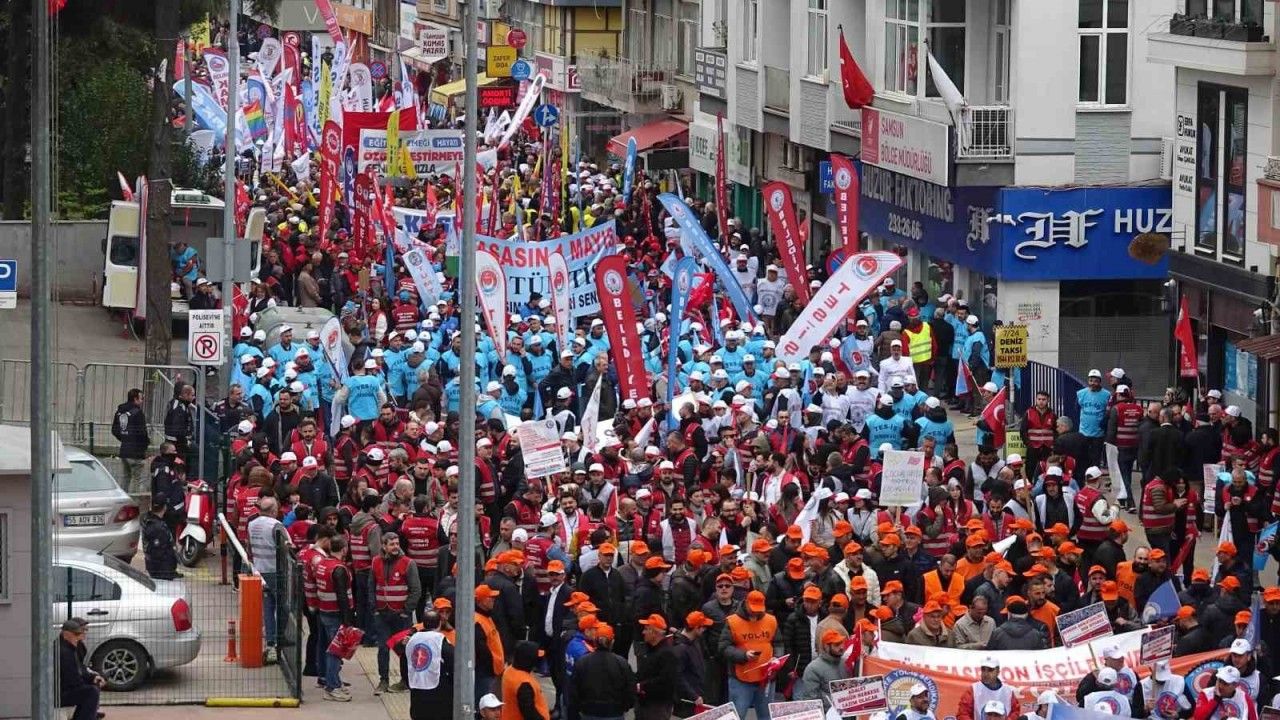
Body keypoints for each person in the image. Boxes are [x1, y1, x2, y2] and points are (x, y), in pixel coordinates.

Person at [721, 590, 782, 720]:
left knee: (767, 717)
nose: (756, 612)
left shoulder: (771, 620)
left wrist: (777, 657)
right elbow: (724, 647)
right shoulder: (732, 621)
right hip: (741, 679)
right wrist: (744, 655)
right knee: (736, 716)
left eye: (759, 609)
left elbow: (778, 643)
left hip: (766, 678)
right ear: (746, 603)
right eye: (753, 608)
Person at [373, 532, 421, 694]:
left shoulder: (408, 563)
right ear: (384, 546)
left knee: (404, 649)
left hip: (401, 615)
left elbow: (416, 590)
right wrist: (374, 609)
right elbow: (371, 586)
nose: (395, 547)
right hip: (382, 614)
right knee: (383, 648)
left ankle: (405, 681)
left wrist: (406, 611)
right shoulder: (375, 562)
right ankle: (383, 680)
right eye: (391, 544)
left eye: (397, 543)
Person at [248, 496, 290, 662]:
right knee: (284, 607)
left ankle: (271, 642)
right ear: (274, 510)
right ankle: (279, 638)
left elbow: (249, 547)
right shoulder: (276, 525)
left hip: (259, 571)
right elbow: (287, 548)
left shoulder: (252, 524)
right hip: (275, 571)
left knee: (268, 608)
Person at [315, 536, 355, 701]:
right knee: (336, 652)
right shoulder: (339, 569)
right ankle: (332, 687)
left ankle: (331, 681)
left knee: (327, 648)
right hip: (336, 614)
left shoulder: (322, 564)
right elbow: (342, 596)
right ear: (344, 549)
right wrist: (347, 620)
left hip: (324, 610)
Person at [572, 624, 637, 720]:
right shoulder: (621, 663)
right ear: (612, 642)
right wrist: (625, 706)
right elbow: (630, 688)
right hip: (614, 713)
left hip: (589, 712)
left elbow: (574, 689)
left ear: (595, 641)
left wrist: (580, 707)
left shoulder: (582, 662)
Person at [406, 611, 454, 720]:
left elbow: (405, 662)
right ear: (439, 623)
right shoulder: (439, 640)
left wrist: (409, 681)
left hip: (417, 690)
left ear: (423, 623)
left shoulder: (412, 639)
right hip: (438, 692)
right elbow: (453, 661)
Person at [58, 618, 105, 720]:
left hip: (66, 688)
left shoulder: (74, 647)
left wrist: (92, 677)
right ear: (66, 634)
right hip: (59, 693)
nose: (82, 636)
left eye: (84, 631)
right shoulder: (64, 652)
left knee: (93, 686)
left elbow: (80, 668)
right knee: (91, 692)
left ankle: (90, 714)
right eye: (77, 634)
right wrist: (88, 681)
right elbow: (72, 678)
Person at [635, 614, 678, 720]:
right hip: (645, 704)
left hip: (657, 707)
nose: (643, 632)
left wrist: (641, 686)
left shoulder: (667, 654)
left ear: (654, 633)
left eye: (646, 629)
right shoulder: (650, 650)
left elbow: (665, 681)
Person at [796, 630, 851, 709]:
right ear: (826, 646)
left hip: (847, 711)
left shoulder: (845, 663)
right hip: (828, 713)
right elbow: (811, 700)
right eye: (837, 644)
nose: (842, 647)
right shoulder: (813, 668)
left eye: (842, 643)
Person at [112, 387, 149, 498]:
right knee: (137, 479)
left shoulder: (119, 412)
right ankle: (135, 501)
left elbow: (114, 430)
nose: (142, 401)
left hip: (124, 450)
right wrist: (145, 446)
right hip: (136, 451)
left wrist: (125, 438)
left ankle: (122, 499)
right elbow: (142, 433)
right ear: (135, 399)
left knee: (126, 477)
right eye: (141, 398)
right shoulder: (138, 413)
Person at [502, 640, 551, 720]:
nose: (538, 660)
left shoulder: (510, 670)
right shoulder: (524, 684)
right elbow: (529, 713)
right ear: (529, 660)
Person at [1192, 665, 1257, 720]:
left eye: (1225, 684)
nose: (1220, 686)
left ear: (1235, 685)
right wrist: (1215, 700)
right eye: (1220, 681)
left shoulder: (1244, 698)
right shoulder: (1206, 694)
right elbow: (1198, 718)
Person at [140, 498, 181, 580]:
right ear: (165, 507)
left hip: (155, 568)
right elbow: (160, 552)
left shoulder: (148, 520)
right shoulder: (158, 528)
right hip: (162, 571)